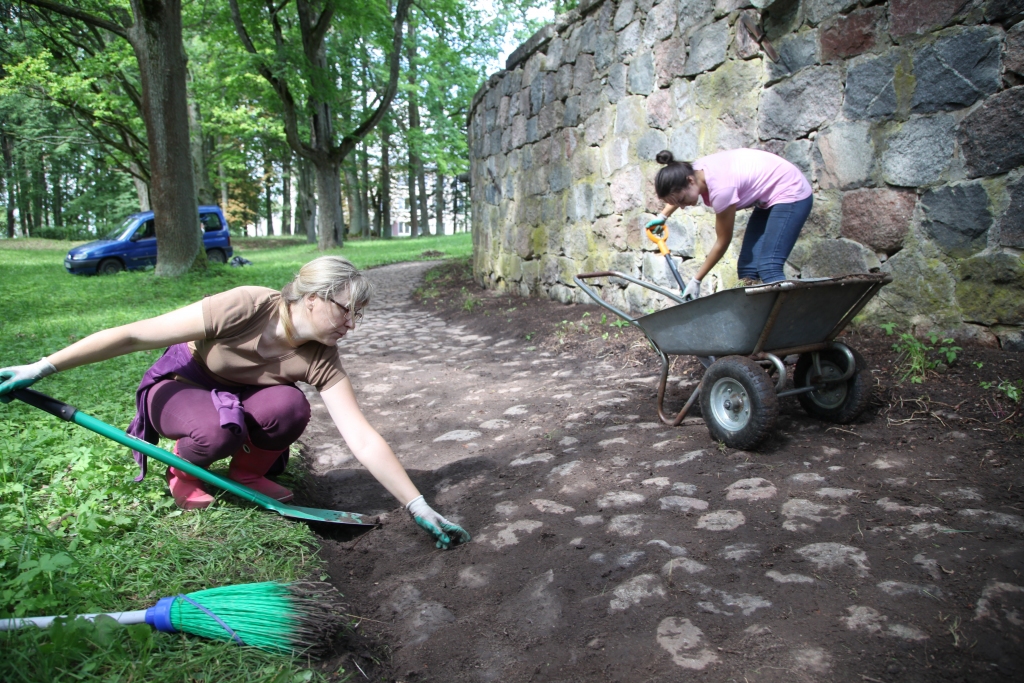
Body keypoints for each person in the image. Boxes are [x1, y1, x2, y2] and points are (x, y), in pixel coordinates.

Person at [0, 256, 470, 550]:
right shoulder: (246, 304)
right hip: (183, 384)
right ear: (311, 298)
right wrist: (42, 367)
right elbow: (134, 334)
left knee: (290, 406)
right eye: (348, 311)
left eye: (358, 316)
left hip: (237, 400)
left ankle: (247, 472)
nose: (351, 325)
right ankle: (182, 471)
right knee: (216, 428)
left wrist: (418, 505)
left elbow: (361, 436)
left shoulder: (321, 357)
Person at [645, 148, 813, 301]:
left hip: (791, 191)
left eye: (681, 201)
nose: (681, 206)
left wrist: (696, 280)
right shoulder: (691, 172)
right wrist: (663, 216)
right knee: (748, 269)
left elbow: (722, 241)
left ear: (690, 181)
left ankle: (790, 325)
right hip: (767, 197)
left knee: (769, 266)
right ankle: (759, 326)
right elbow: (679, 190)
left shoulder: (721, 190)